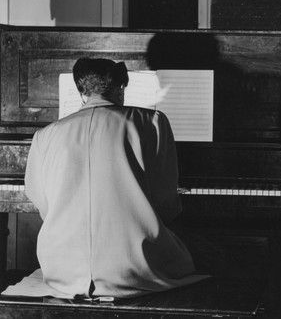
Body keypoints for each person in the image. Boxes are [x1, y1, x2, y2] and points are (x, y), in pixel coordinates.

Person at [24, 57, 207, 299]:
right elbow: (167, 205)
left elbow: (45, 208)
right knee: (198, 257)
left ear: (81, 92)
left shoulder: (44, 136)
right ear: (120, 89)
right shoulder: (152, 122)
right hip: (134, 268)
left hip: (62, 270)